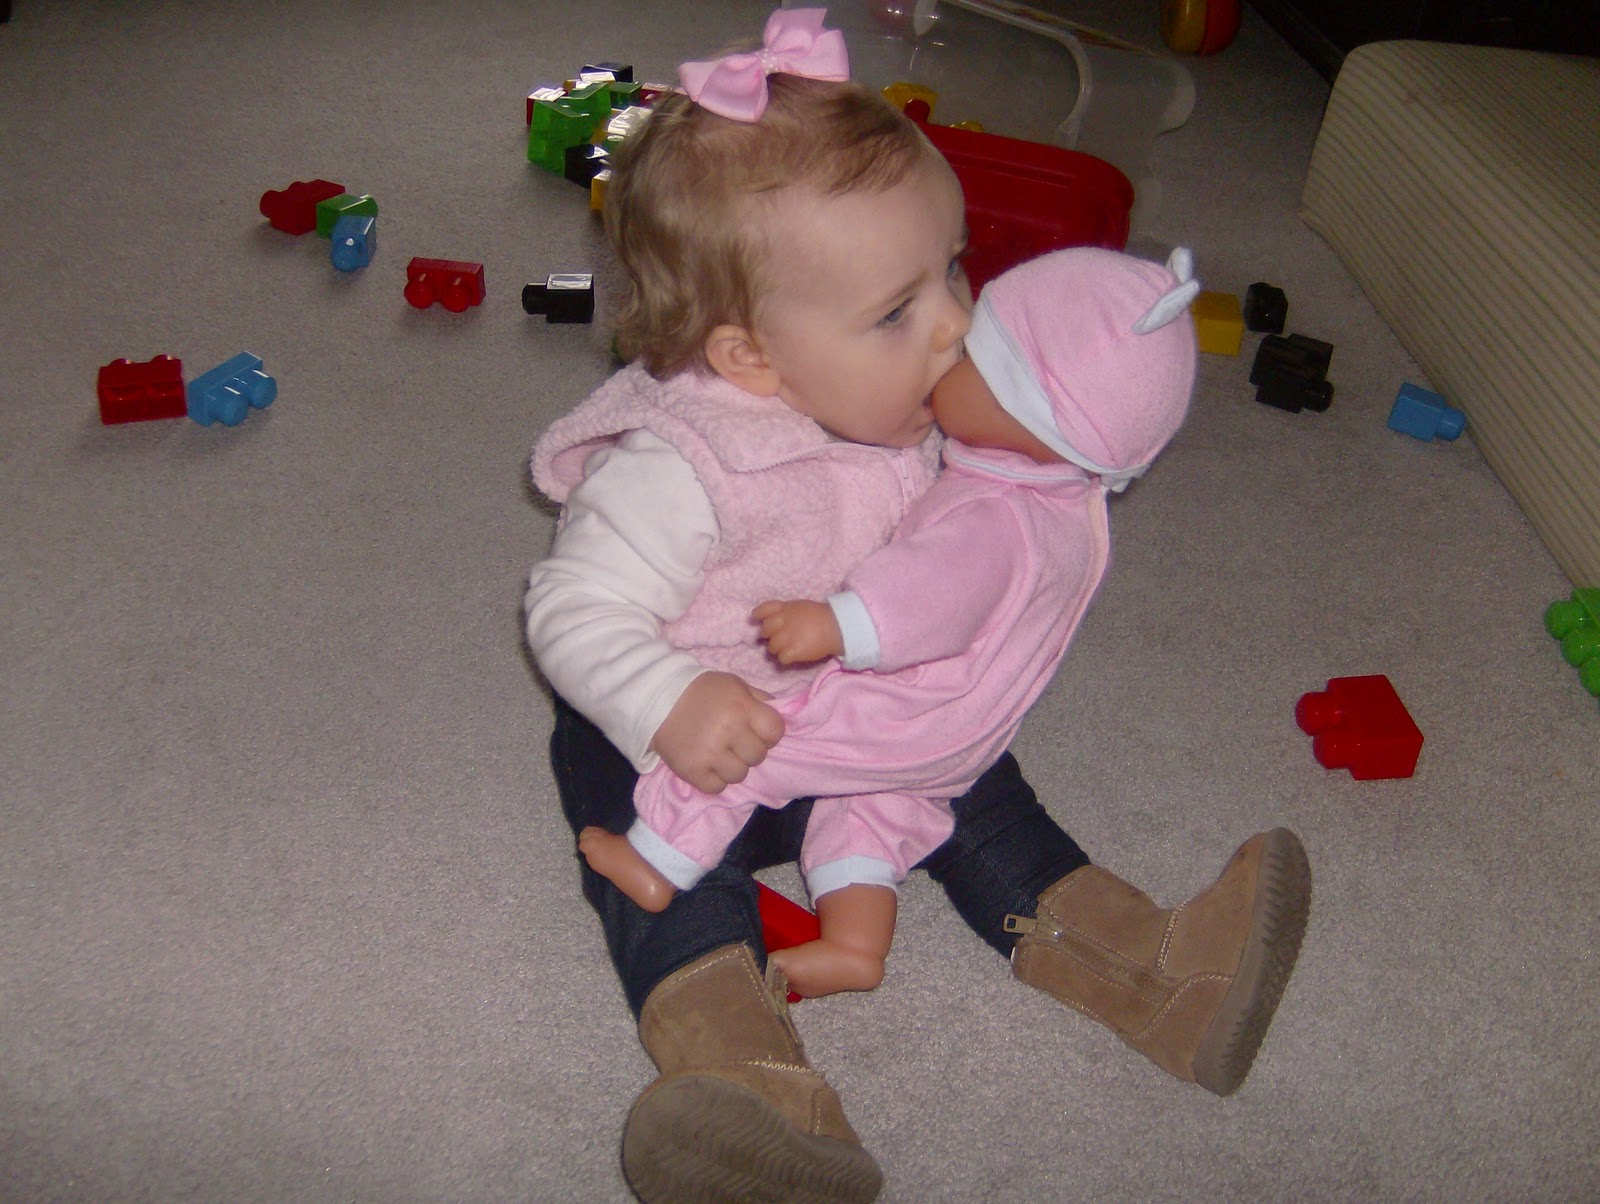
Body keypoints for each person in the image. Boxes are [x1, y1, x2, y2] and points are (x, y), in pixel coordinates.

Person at [526, 11, 1310, 1203]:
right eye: (899, 310)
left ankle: (1156, 973)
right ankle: (743, 1083)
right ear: (749, 358)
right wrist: (665, 698)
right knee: (673, 883)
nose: (954, 323)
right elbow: (568, 607)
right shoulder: (679, 466)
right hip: (687, 738)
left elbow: (989, 539)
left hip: (856, 712)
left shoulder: (919, 402)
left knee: (979, 787)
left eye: (952, 268)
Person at [580, 244, 1283, 1009]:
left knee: (746, 750)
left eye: (972, 352)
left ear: (1026, 413)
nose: (946, 345)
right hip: (958, 736)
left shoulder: (994, 512)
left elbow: (930, 594)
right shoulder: (1059, 502)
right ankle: (849, 952)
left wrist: (838, 623)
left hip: (889, 707)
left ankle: (658, 865)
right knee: (868, 814)